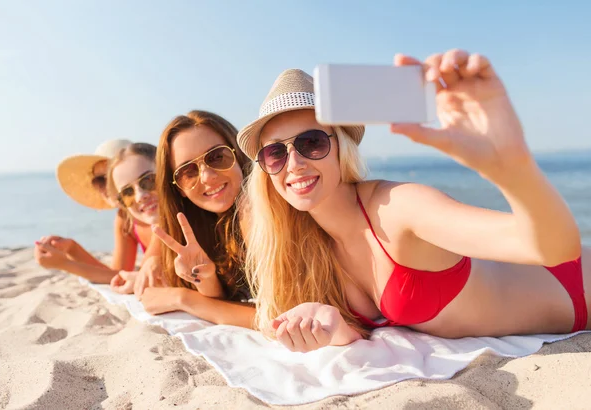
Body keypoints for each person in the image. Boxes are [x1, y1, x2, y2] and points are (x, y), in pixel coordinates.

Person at [237, 49, 590, 352]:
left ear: (341, 146)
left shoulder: (395, 208)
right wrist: (335, 328)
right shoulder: (304, 245)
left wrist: (513, 165)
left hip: (576, 285)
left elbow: (554, 248)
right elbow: (357, 329)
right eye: (274, 154)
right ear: (265, 169)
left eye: (311, 143)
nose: (294, 164)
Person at [135, 110, 255, 327]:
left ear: (237, 153)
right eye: (188, 171)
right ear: (178, 188)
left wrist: (183, 299)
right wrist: (206, 279)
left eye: (217, 157)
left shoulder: (255, 208)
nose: (207, 176)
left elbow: (281, 317)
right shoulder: (198, 225)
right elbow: (227, 304)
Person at [33, 139, 149, 283]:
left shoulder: (155, 214)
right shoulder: (125, 218)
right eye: (98, 181)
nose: (106, 187)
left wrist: (64, 264)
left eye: (110, 177)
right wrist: (72, 249)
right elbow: (117, 275)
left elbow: (141, 280)